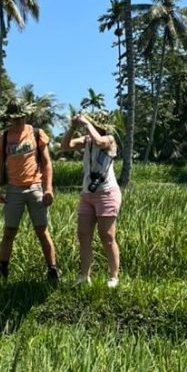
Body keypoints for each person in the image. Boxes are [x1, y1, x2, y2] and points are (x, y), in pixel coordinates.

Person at [0, 101, 60, 282]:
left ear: (25, 116)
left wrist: (48, 189)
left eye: (21, 117)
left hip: (35, 187)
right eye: (15, 119)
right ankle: (3, 270)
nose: (18, 121)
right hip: (14, 189)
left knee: (42, 230)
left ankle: (52, 270)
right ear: (10, 119)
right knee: (9, 232)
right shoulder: (4, 138)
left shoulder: (36, 134)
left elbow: (46, 163)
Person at [60, 111, 122, 288]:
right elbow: (65, 145)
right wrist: (72, 127)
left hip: (107, 193)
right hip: (88, 194)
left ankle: (113, 276)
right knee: (83, 234)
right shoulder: (87, 140)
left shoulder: (109, 139)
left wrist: (86, 123)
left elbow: (99, 141)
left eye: (93, 124)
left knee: (107, 236)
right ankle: (84, 276)